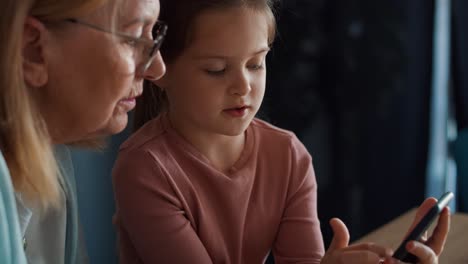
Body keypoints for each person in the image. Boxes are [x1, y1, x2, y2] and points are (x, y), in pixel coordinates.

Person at [112, 0, 450, 263]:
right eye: (216, 70)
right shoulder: (144, 170)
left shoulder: (287, 155)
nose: (243, 85)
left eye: (256, 64)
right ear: (160, 69)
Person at [0, 0, 166, 263]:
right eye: (133, 39)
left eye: (154, 35)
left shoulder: (52, 161)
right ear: (33, 51)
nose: (158, 68)